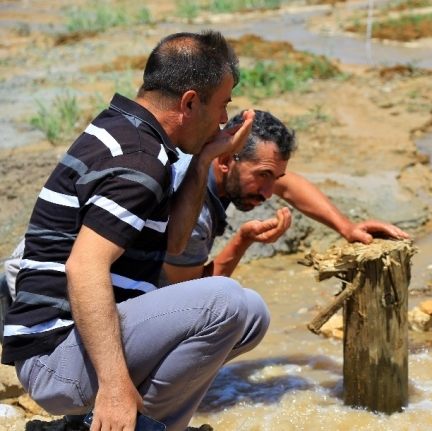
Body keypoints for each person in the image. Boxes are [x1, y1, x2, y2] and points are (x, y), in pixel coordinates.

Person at [1, 31, 264, 430]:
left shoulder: (132, 133)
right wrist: (114, 386)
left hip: (74, 344)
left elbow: (174, 243)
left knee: (252, 315)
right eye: (223, 105)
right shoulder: (139, 159)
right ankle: (133, 421)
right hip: (54, 356)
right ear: (190, 102)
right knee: (224, 301)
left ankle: (114, 420)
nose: (225, 120)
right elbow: (84, 267)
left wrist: (207, 157)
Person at [162, 109, 409, 284]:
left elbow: (289, 185)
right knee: (242, 311)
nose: (269, 193)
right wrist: (243, 240)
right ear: (226, 160)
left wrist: (347, 227)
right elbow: (194, 295)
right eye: (264, 175)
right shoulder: (194, 214)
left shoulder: (204, 158)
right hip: (138, 307)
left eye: (275, 177)